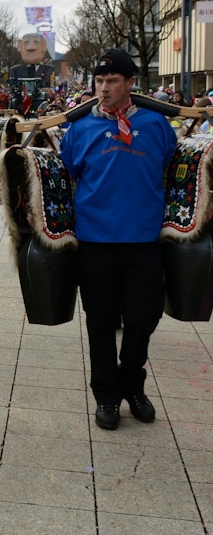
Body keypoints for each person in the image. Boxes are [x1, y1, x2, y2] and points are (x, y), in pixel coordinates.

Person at [60, 48, 176, 430]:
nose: (104, 88)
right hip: (96, 242)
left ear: (131, 84)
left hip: (143, 240)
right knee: (101, 322)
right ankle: (107, 397)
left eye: (112, 81)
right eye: (99, 81)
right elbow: (71, 170)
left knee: (143, 318)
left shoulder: (158, 125)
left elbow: (166, 167)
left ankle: (133, 384)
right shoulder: (80, 128)